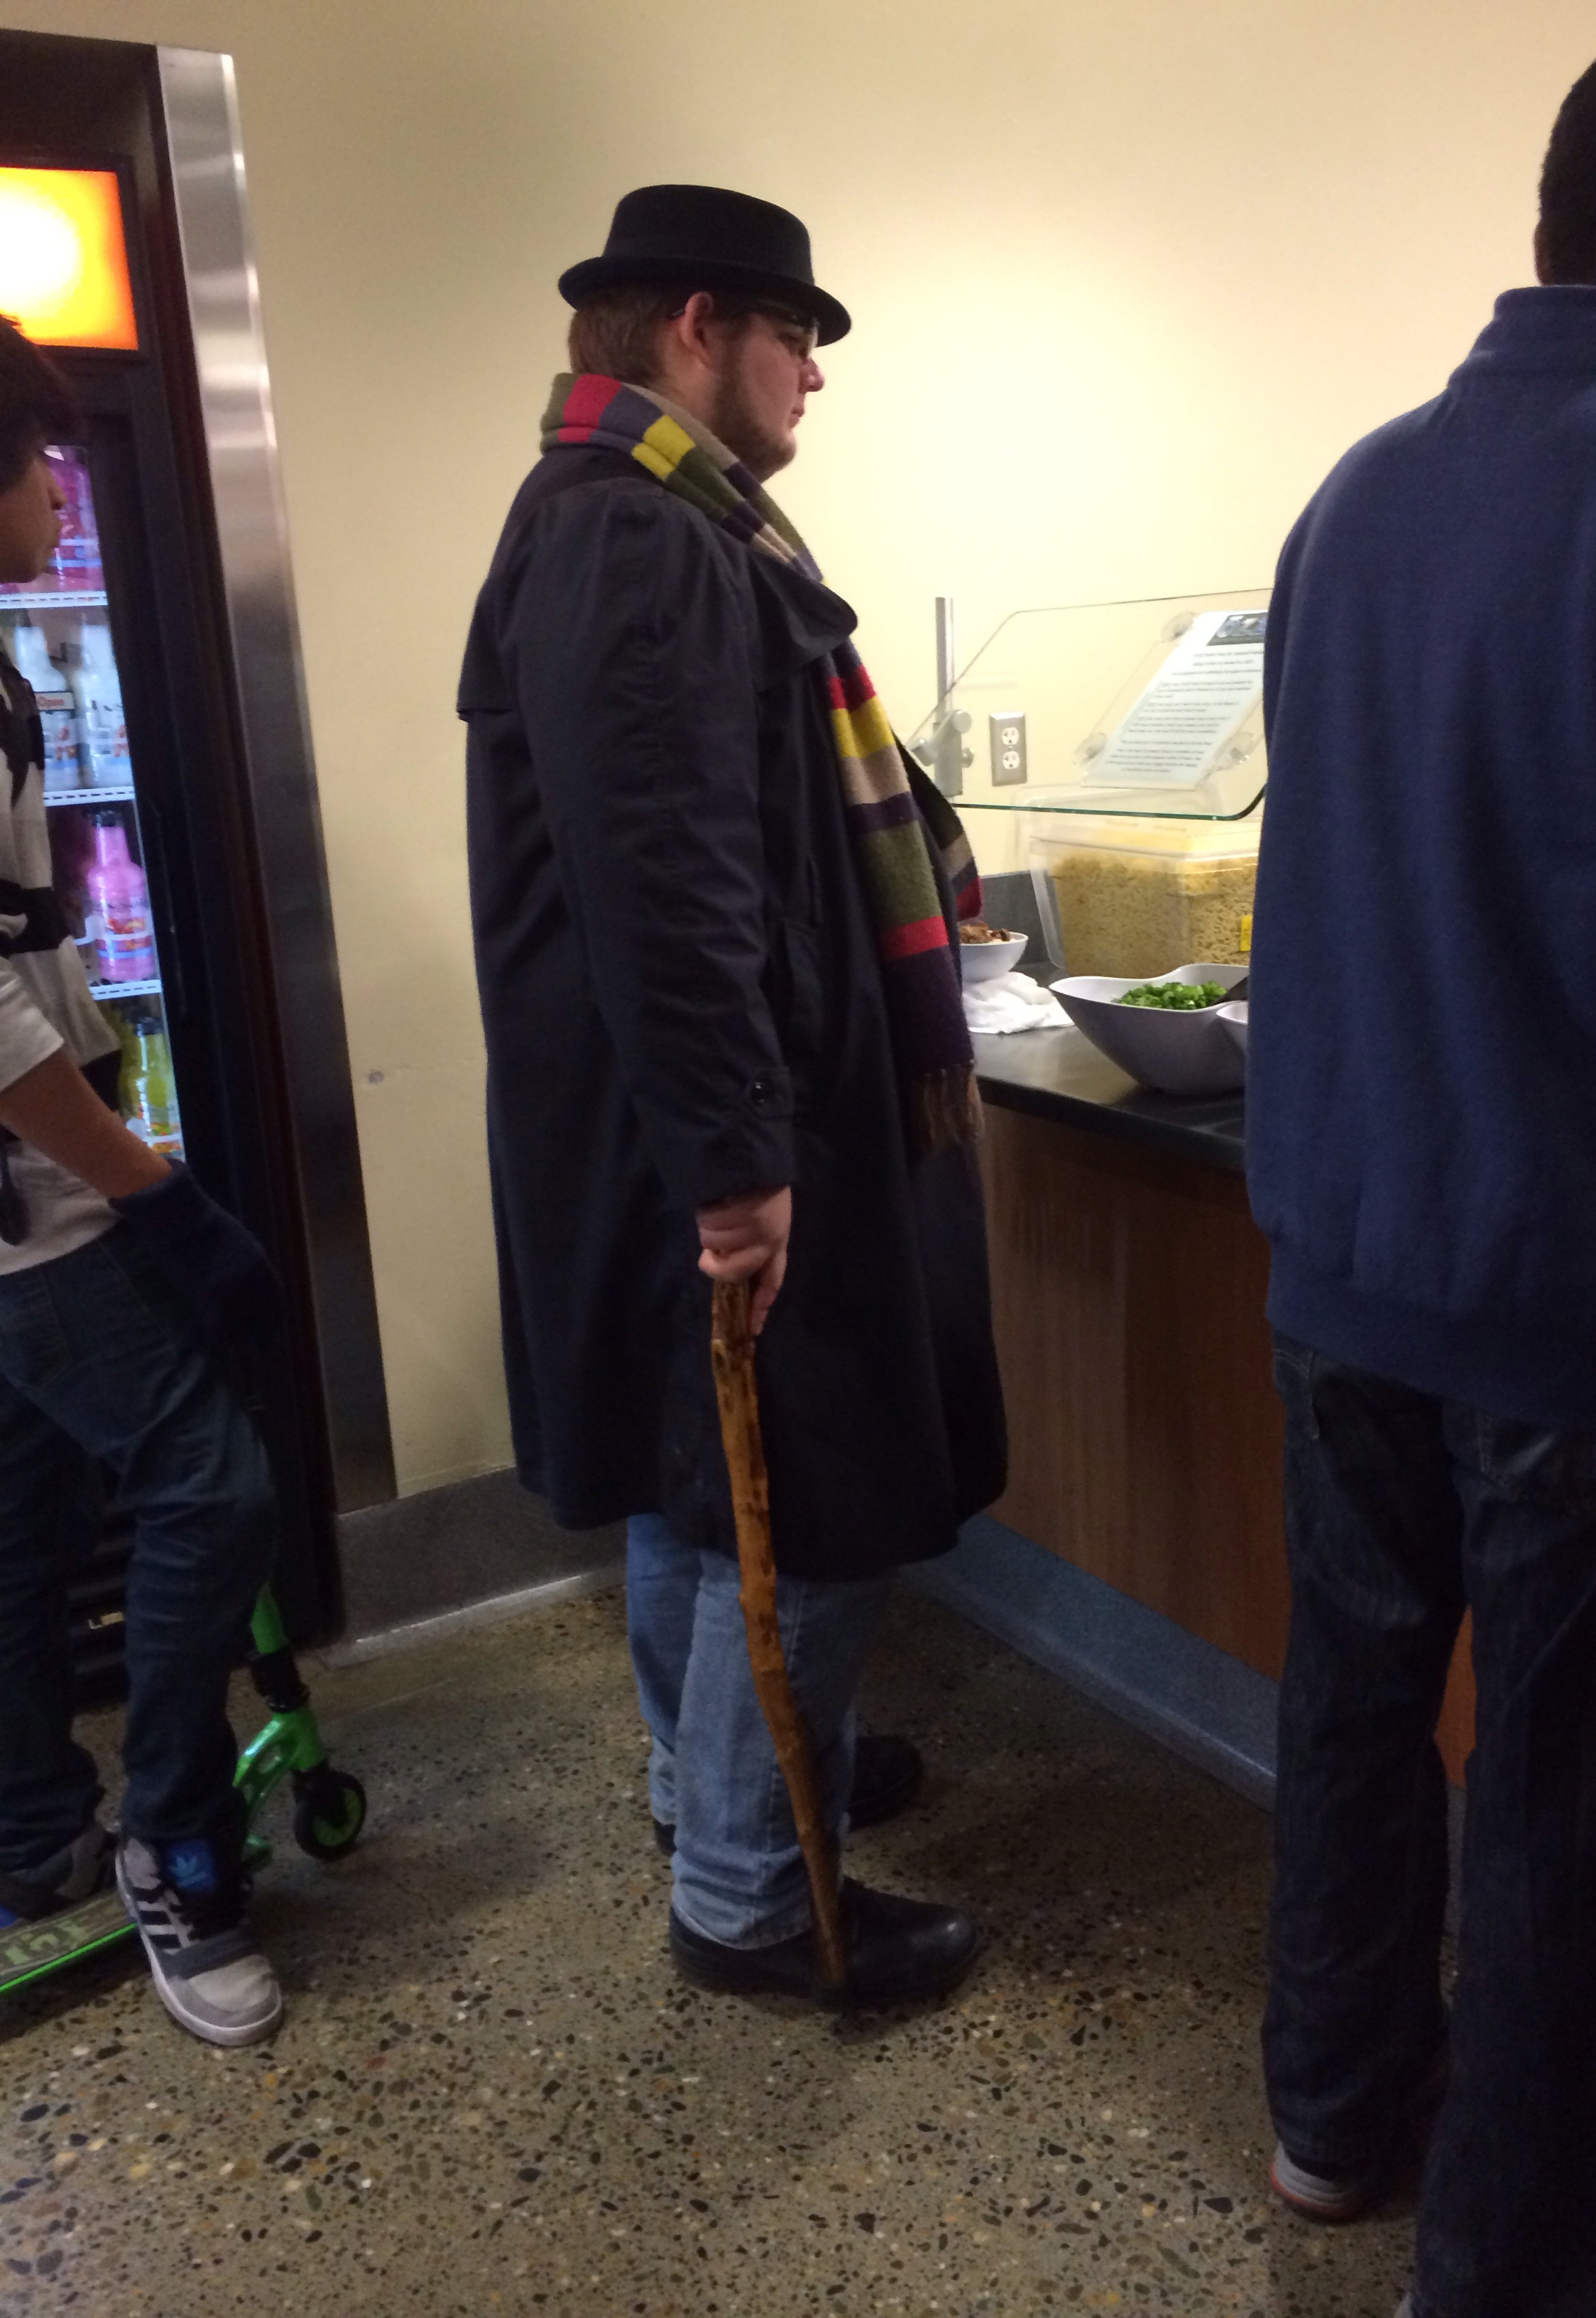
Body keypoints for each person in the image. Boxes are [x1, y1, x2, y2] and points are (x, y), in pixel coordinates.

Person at [1244, 18, 1596, 2314]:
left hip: (1346, 1247)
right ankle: (1521, 2273)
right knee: (1573, 1798)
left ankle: (1332, 2117)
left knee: (1356, 1705)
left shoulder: (1352, 487)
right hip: (1571, 1282)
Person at [461, 184, 1005, 2006]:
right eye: (798, 338)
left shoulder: (631, 514)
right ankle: (751, 1893)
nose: (814, 379)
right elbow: (670, 882)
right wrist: (738, 1162)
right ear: (700, 325)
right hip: (724, 1129)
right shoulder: (642, 538)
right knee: (814, 1484)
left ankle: (726, 1784)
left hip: (675, 1122)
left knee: (698, 1480)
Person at [0, 317, 283, 2046]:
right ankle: (173, 1843)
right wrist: (155, 1197)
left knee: (21, 1515)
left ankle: (35, 1832)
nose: (57, 494)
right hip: (32, 1220)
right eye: (39, 464)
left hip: (37, 1192)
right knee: (212, 1484)